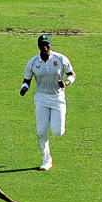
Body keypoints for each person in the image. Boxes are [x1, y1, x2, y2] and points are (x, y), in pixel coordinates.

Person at [21, 34, 76, 170]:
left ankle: (55, 124)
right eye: (42, 44)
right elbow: (26, 80)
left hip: (57, 98)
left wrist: (66, 83)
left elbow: (71, 74)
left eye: (47, 44)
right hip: (41, 98)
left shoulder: (60, 59)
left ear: (51, 45)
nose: (44, 47)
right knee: (41, 131)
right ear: (38, 46)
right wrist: (24, 88)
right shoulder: (33, 62)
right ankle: (47, 159)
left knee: (58, 132)